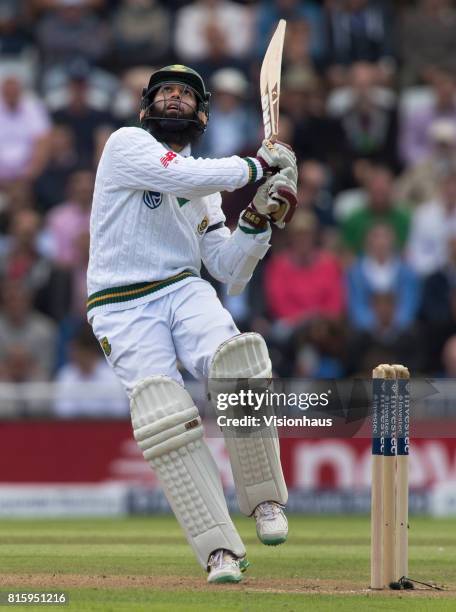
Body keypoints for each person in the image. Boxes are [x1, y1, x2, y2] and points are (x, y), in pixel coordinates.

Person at [86, 65, 298, 583]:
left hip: (182, 288)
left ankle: (265, 498)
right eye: (165, 93)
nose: (175, 99)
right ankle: (219, 550)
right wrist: (257, 167)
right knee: (165, 415)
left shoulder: (204, 187)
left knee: (239, 362)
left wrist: (259, 219)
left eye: (185, 95)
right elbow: (178, 176)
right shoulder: (125, 145)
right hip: (119, 303)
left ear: (201, 114)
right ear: (146, 108)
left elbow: (229, 272)